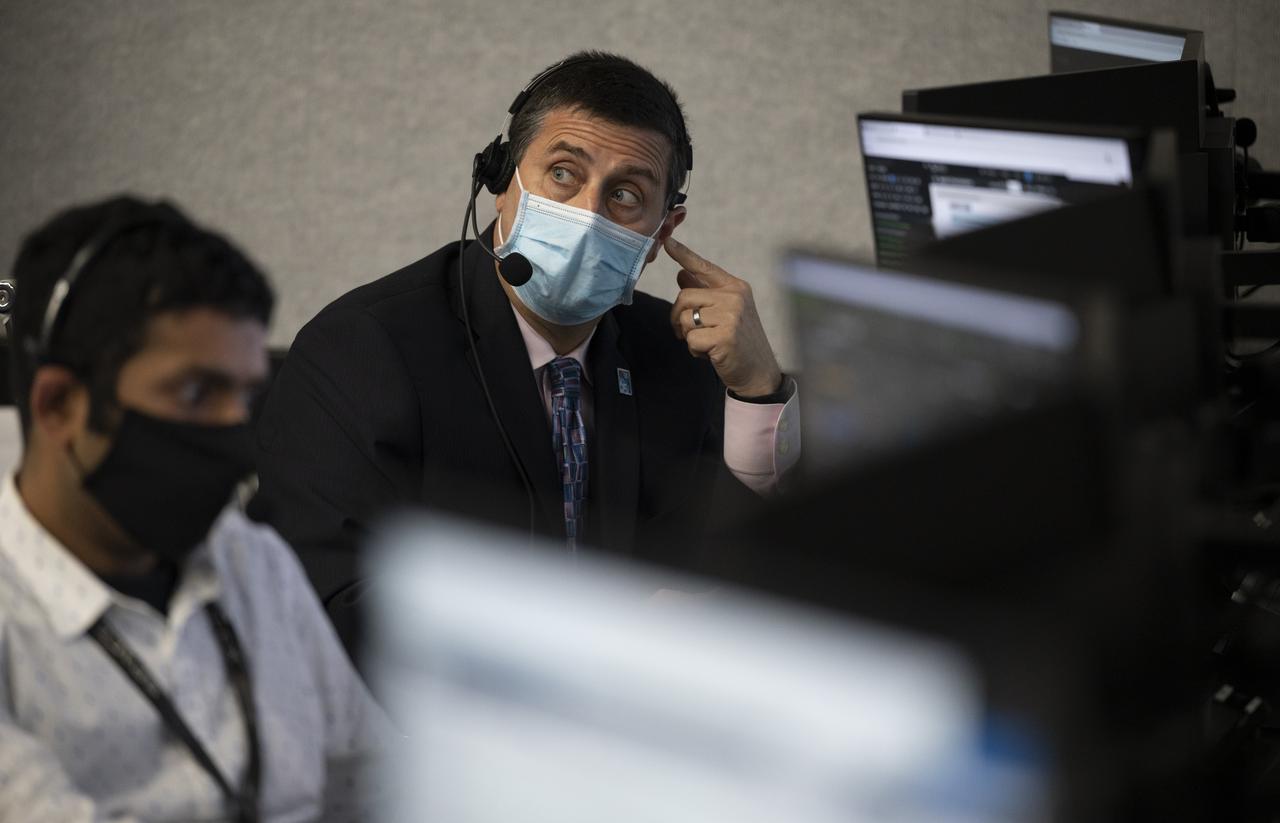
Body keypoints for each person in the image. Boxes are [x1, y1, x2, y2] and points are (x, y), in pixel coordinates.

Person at [249, 51, 802, 661]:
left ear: (661, 235)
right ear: (502, 182)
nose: (587, 215)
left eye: (625, 194)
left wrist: (755, 392)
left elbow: (744, 574)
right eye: (563, 173)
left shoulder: (673, 352)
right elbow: (329, 606)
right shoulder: (364, 349)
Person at [0, 196, 386, 822]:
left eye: (245, 397)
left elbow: (380, 788)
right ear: (58, 406)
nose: (234, 435)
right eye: (195, 392)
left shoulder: (253, 564)